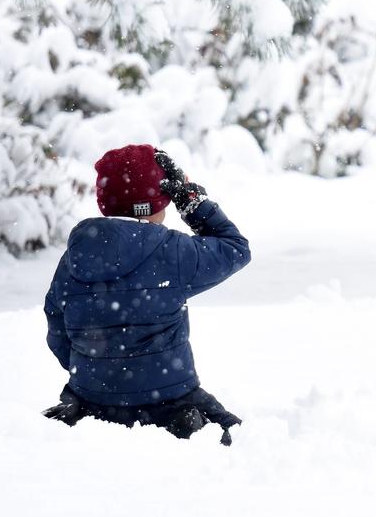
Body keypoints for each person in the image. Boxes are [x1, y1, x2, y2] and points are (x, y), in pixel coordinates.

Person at [41, 144, 251, 443]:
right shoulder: (172, 250)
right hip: (170, 404)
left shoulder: (76, 256)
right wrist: (191, 199)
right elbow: (235, 249)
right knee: (243, 437)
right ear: (157, 202)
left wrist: (97, 367)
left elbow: (57, 326)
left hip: (90, 400)